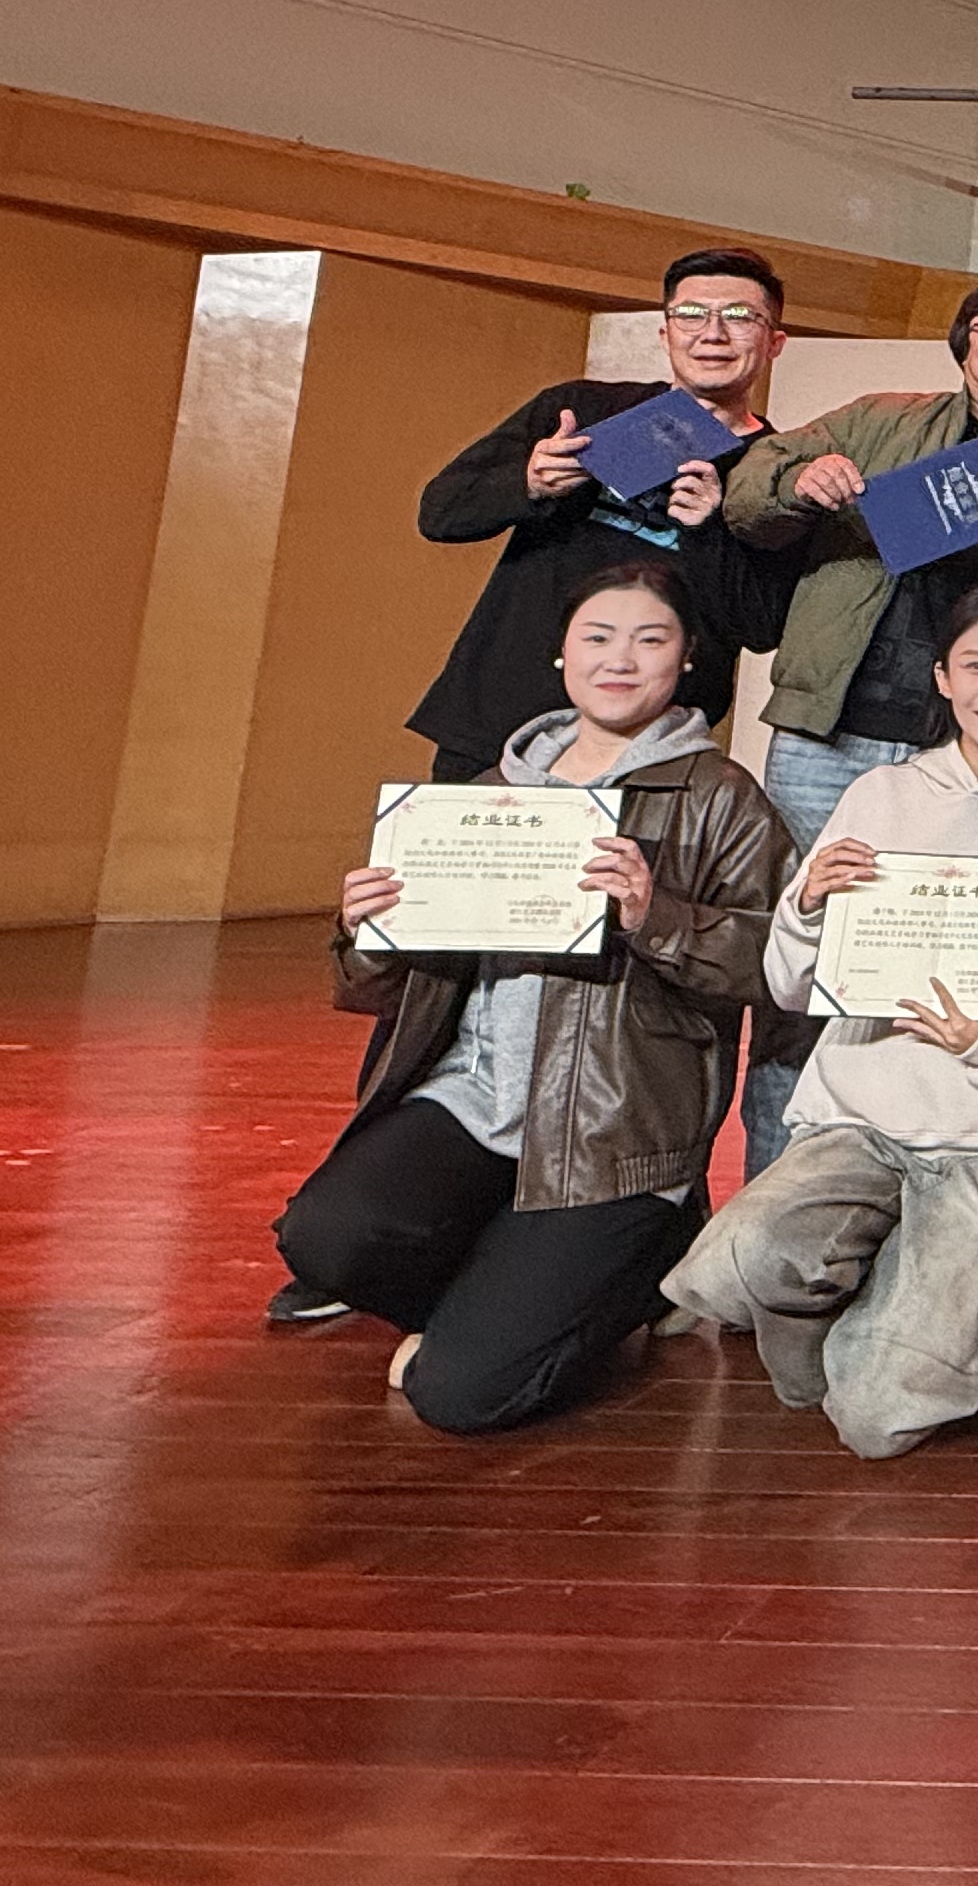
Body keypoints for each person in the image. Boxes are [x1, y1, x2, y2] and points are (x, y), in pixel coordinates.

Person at [275, 562, 790, 1434]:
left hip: (612, 1129)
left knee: (460, 1395)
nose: (620, 659)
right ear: (561, 654)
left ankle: (639, 1262)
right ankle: (510, 1293)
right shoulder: (488, 792)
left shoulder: (722, 799)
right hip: (475, 1099)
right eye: (598, 637)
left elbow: (773, 965)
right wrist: (367, 929)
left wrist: (654, 915)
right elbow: (375, 991)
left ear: (686, 660)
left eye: (650, 640)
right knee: (325, 1234)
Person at [660, 584, 978, 1459]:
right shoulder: (880, 793)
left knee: (878, 1419)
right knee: (743, 1260)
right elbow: (792, 985)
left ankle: (974, 1304)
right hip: (865, 1114)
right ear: (942, 678)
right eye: (976, 666)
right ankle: (913, 1299)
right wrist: (808, 903)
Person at [711, 270, 978, 1182]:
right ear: (964, 344)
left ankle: (897, 1182)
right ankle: (779, 1189)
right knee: (802, 970)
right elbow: (746, 493)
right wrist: (801, 479)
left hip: (952, 759)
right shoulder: (880, 418)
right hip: (825, 737)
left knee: (930, 968)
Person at [402, 246, 799, 784]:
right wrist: (529, 482)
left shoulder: (779, 470)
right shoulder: (580, 410)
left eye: (739, 317)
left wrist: (709, 531)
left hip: (648, 748)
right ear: (665, 333)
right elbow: (440, 513)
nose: (713, 333)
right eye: (690, 314)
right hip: (498, 719)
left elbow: (760, 626)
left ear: (774, 342)